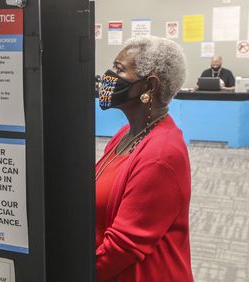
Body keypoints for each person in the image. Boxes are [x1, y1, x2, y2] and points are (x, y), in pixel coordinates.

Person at [96, 36, 193, 282]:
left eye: (119, 70)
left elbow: (123, 248)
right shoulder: (126, 134)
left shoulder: (160, 156)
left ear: (149, 86)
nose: (109, 77)